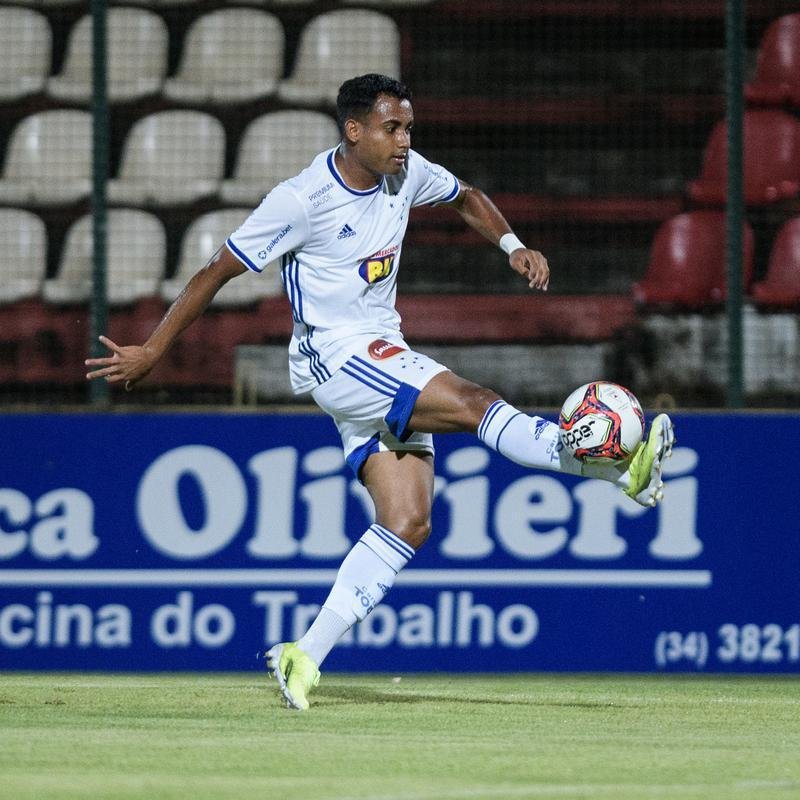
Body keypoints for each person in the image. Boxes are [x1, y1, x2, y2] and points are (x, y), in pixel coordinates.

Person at [86, 73, 674, 711]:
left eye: (409, 128)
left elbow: (467, 195)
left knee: (408, 521)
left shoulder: (404, 172)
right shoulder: (300, 200)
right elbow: (215, 271)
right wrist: (154, 348)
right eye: (393, 128)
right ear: (354, 130)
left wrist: (512, 244)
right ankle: (615, 467)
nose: (405, 140)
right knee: (474, 404)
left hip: (379, 351)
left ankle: (303, 655)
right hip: (336, 356)